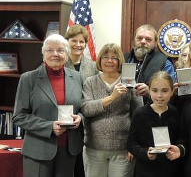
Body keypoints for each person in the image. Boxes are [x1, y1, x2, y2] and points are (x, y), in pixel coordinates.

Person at [12, 34, 84, 177]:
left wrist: (80, 118)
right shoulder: (28, 78)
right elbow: (19, 116)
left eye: (60, 50)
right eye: (50, 50)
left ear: (67, 54)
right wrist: (49, 127)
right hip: (38, 151)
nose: (55, 54)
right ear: (43, 54)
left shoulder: (76, 77)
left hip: (68, 151)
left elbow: (82, 108)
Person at [81, 43, 143, 177]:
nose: (109, 61)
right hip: (94, 148)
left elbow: (139, 116)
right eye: (106, 57)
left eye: (114, 58)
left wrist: (134, 146)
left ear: (120, 61)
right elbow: (86, 109)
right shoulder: (90, 82)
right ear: (100, 60)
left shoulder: (129, 82)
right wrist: (112, 97)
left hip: (123, 149)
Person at [127, 71, 180, 177]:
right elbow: (131, 143)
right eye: (155, 91)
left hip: (171, 170)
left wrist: (177, 149)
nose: (159, 95)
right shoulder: (140, 114)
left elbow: (181, 138)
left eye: (164, 91)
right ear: (149, 90)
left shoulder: (176, 113)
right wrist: (145, 153)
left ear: (172, 91)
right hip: (145, 171)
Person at [64, 25, 98, 177]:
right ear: (67, 41)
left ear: (86, 44)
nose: (78, 45)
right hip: (62, 118)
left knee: (81, 167)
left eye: (82, 41)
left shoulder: (93, 67)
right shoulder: (59, 63)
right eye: (74, 41)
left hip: (86, 120)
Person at [124, 24, 175, 102]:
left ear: (155, 43)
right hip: (124, 110)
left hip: (151, 110)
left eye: (148, 39)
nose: (143, 42)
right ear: (134, 40)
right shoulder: (122, 59)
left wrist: (150, 92)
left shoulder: (164, 62)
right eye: (139, 38)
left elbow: (170, 92)